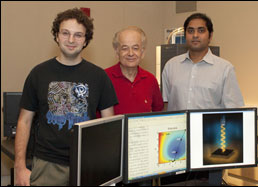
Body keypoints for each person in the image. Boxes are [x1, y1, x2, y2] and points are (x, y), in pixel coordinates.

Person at [14, 8, 118, 186]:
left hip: (88, 164)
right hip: (47, 164)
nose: (71, 40)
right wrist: (19, 167)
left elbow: (109, 126)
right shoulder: (38, 73)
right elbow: (24, 121)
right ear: (56, 36)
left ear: (86, 40)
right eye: (65, 33)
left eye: (78, 35)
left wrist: (107, 168)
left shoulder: (99, 77)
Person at [161, 13, 244, 185]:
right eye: (190, 31)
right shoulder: (171, 66)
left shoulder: (224, 69)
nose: (195, 35)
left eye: (201, 30)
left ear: (210, 35)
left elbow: (235, 111)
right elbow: (165, 105)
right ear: (185, 35)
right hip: (174, 145)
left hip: (210, 146)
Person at [105, 26, 163, 115]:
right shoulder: (104, 78)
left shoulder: (151, 80)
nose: (131, 53)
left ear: (142, 53)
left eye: (135, 48)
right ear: (117, 52)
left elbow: (158, 113)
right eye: (125, 48)